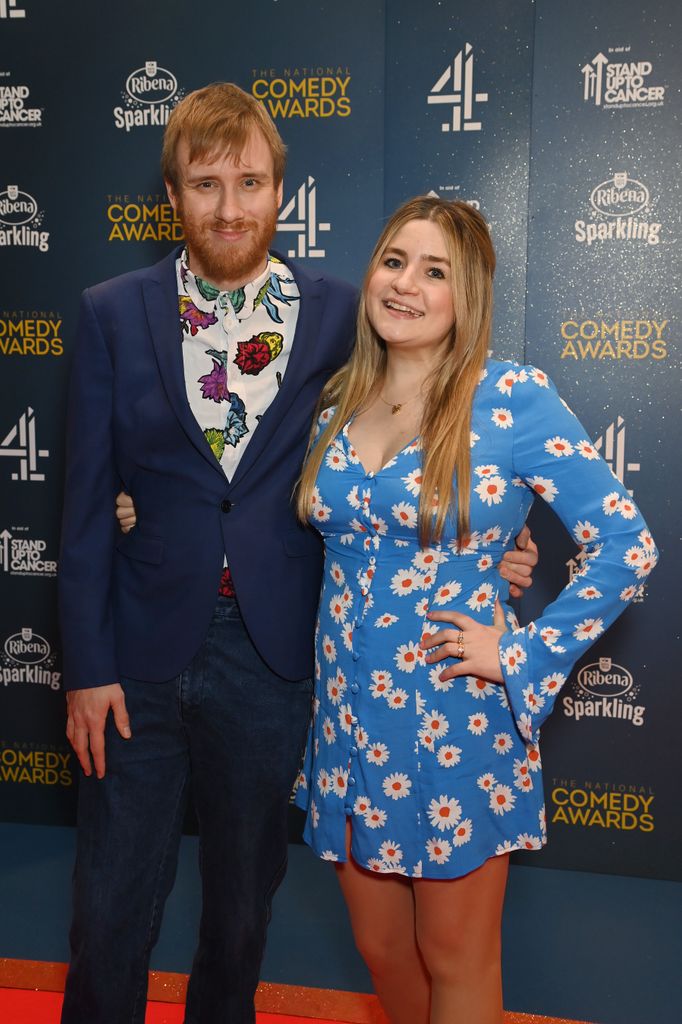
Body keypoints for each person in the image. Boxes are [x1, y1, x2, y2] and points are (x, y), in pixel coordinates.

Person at [58, 84, 537, 1024]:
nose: (229, 207)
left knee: (241, 919)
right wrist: (86, 665)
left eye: (250, 182)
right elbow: (81, 507)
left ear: (282, 191)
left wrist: (494, 538)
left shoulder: (344, 315)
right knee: (110, 911)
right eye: (205, 184)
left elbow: (432, 414)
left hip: (277, 656)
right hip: (136, 659)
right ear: (173, 197)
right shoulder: (112, 312)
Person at [292, 196, 657, 1024]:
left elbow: (627, 546)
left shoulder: (511, 398)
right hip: (347, 718)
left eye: (435, 271)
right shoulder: (337, 399)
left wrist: (520, 653)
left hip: (455, 717)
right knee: (381, 949)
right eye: (393, 261)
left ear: (469, 296)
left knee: (455, 956)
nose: (406, 284)